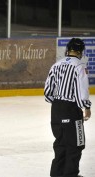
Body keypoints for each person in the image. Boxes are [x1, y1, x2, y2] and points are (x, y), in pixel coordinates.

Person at [44, 38, 92, 177]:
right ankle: (70, 175)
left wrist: (57, 104)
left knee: (60, 144)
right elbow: (81, 90)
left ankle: (56, 174)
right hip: (71, 110)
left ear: (68, 49)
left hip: (56, 110)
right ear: (80, 51)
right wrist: (86, 107)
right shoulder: (79, 66)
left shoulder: (56, 65)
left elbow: (48, 92)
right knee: (76, 144)